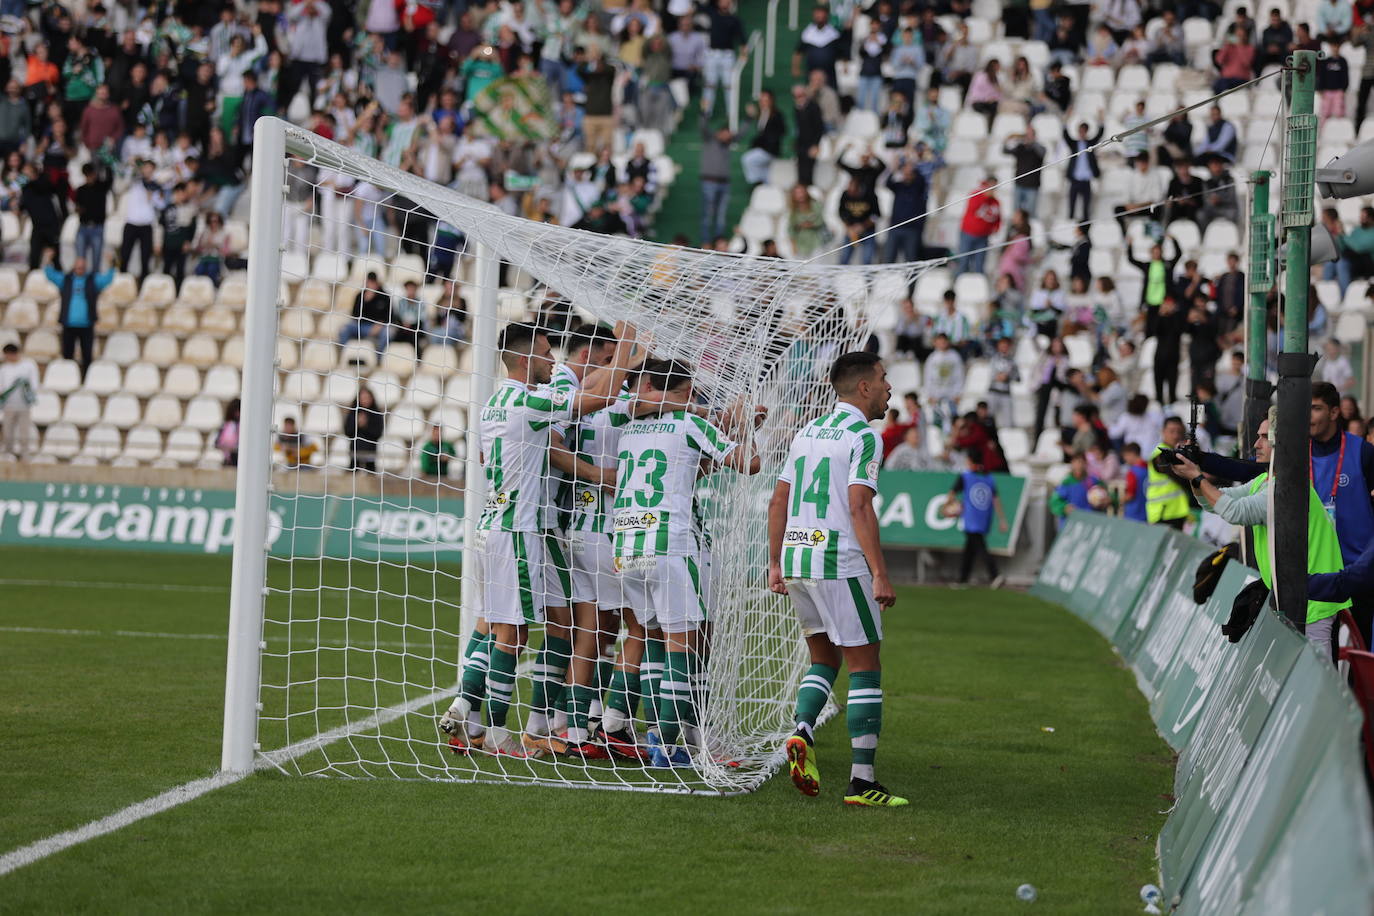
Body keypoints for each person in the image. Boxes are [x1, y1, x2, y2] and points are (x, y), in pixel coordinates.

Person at [438, 321, 636, 758]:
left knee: (556, 622)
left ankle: (483, 716)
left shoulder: (493, 404)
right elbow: (600, 398)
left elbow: (488, 456)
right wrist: (626, 344)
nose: (553, 362)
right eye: (547, 355)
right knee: (511, 633)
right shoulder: (530, 401)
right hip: (517, 530)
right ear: (527, 359)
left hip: (510, 525)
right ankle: (493, 731)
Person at [769, 351, 907, 807]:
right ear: (864, 387)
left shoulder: (806, 431)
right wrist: (880, 573)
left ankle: (803, 731)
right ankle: (862, 782)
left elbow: (778, 501)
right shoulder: (865, 436)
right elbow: (859, 506)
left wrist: (774, 563)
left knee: (824, 660)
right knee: (866, 667)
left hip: (797, 559)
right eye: (884, 379)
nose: (889, 388)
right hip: (838, 560)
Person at [617, 357, 760, 768]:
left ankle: (662, 735)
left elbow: (689, 469)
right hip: (669, 545)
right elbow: (750, 464)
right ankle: (665, 743)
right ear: (687, 388)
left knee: (656, 643)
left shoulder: (630, 430)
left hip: (627, 547)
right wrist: (746, 426)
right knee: (684, 646)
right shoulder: (689, 424)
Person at [1175, 419, 1349, 651]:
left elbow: (1235, 511)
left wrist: (1198, 477)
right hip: (1298, 596)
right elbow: (1214, 501)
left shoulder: (1285, 487)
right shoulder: (1265, 480)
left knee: (1319, 683)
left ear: (1282, 443)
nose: (1256, 444)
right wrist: (1193, 478)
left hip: (1315, 601)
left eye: (1265, 437)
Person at [46, 249, 113, 377]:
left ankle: (86, 378)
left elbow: (107, 279)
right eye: (78, 268)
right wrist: (48, 260)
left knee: (87, 355)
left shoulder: (92, 280)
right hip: (68, 324)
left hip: (87, 325)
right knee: (67, 354)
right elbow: (50, 275)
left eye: (82, 268)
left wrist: (110, 263)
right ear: (74, 267)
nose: (80, 270)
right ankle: (67, 377)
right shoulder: (65, 280)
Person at [948, 447, 1009, 586]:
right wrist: (1002, 519)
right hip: (984, 518)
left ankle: (995, 575)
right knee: (970, 549)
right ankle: (963, 579)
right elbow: (996, 499)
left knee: (980, 547)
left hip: (971, 518)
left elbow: (952, 493)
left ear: (969, 460)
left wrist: (947, 507)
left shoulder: (966, 476)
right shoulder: (989, 478)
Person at [1147, 416, 1192, 529]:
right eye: (1171, 431)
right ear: (1163, 432)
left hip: (1176, 511)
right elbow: (1183, 479)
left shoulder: (1175, 452)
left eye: (1179, 432)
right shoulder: (1161, 454)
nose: (1176, 435)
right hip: (1163, 513)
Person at [956, 175, 1001, 276]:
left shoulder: (995, 202)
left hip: (983, 237)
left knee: (979, 266)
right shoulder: (976, 195)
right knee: (963, 262)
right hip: (968, 234)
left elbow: (997, 217)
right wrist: (984, 197)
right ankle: (957, 285)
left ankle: (977, 287)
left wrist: (996, 227)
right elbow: (972, 208)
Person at [0, 343, 38, 459]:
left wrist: (29, 396)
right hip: (9, 405)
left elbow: (34, 384)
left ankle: (24, 455)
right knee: (7, 432)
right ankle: (7, 454)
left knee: (24, 433)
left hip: (24, 405)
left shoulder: (28, 366)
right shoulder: (4, 368)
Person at [338, 273, 393, 352]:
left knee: (387, 334)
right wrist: (365, 301)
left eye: (372, 282)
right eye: (369, 282)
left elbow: (389, 315)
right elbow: (355, 314)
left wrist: (379, 325)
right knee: (344, 329)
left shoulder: (384, 296)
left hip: (378, 326)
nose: (370, 285)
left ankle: (379, 359)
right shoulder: (360, 295)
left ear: (377, 283)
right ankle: (344, 353)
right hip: (360, 325)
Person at [699, 122, 734, 244]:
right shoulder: (709, 140)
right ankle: (706, 242)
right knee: (708, 214)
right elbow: (703, 126)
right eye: (725, 134)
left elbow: (741, 134)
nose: (727, 137)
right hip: (709, 182)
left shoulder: (727, 144)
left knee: (721, 215)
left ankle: (719, 242)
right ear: (719, 133)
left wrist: (748, 119)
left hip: (724, 183)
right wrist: (704, 114)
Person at [1063, 120, 1104, 222]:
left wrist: (1101, 120)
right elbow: (1065, 135)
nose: (1082, 133)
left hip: (1086, 179)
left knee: (1086, 205)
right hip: (1075, 178)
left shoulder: (1090, 144)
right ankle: (1070, 222)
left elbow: (1099, 134)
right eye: (1080, 131)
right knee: (1072, 203)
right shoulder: (1074, 144)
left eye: (1084, 131)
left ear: (1086, 132)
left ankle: (1085, 224)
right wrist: (1066, 120)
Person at [741, 89, 785, 185]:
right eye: (761, 100)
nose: (763, 103)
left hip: (770, 150)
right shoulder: (761, 115)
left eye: (765, 100)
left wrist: (769, 142)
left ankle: (756, 182)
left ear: (771, 101)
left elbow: (781, 131)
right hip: (763, 148)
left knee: (747, 159)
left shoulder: (777, 115)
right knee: (767, 177)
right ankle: (763, 186)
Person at [1049, 452, 1102, 528]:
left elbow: (1107, 494)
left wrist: (1105, 499)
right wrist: (1064, 508)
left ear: (1085, 464)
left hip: (1090, 521)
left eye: (1081, 462)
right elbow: (1055, 501)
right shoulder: (1066, 483)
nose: (1078, 466)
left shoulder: (1093, 481)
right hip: (1070, 523)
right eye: (1075, 463)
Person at [923, 334, 964, 430]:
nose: (942, 344)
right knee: (937, 423)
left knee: (953, 421)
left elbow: (960, 376)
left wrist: (958, 393)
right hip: (936, 396)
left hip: (952, 395)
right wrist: (929, 394)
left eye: (944, 341)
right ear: (935, 343)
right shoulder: (932, 357)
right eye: (939, 341)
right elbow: (928, 377)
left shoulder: (954, 356)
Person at [1002, 127, 1045, 218]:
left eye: (1030, 134)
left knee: (1030, 213)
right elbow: (1005, 151)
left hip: (1032, 186)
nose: (1027, 137)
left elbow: (1042, 152)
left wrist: (1032, 142)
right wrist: (1007, 140)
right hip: (1019, 184)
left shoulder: (1038, 148)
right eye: (1026, 134)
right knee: (1016, 212)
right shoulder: (1020, 147)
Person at [837, 176, 879, 266]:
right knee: (844, 258)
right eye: (850, 191)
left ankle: (868, 280)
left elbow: (876, 215)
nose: (851, 194)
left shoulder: (870, 195)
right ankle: (840, 278)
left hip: (868, 231)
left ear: (859, 189)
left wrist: (863, 226)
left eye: (854, 191)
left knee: (867, 260)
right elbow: (841, 213)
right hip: (851, 231)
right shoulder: (845, 195)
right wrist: (849, 227)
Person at [344, 387, 385, 472]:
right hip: (354, 452)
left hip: (370, 451)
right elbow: (347, 432)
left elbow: (378, 433)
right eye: (363, 398)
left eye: (367, 397)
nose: (365, 400)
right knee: (352, 473)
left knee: (370, 474)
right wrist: (357, 424)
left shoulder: (377, 414)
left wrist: (366, 425)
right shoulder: (352, 413)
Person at [1120, 443, 1149, 522]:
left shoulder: (1132, 472)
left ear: (1132, 454)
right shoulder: (1149, 467)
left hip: (1134, 515)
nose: (1125, 459)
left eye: (1125, 456)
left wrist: (1119, 500)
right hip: (1148, 513)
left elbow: (1130, 495)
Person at [216, 399, 242, 467]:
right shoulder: (225, 426)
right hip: (228, 456)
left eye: (239, 411)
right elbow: (217, 443)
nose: (237, 414)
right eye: (235, 411)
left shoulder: (243, 426)